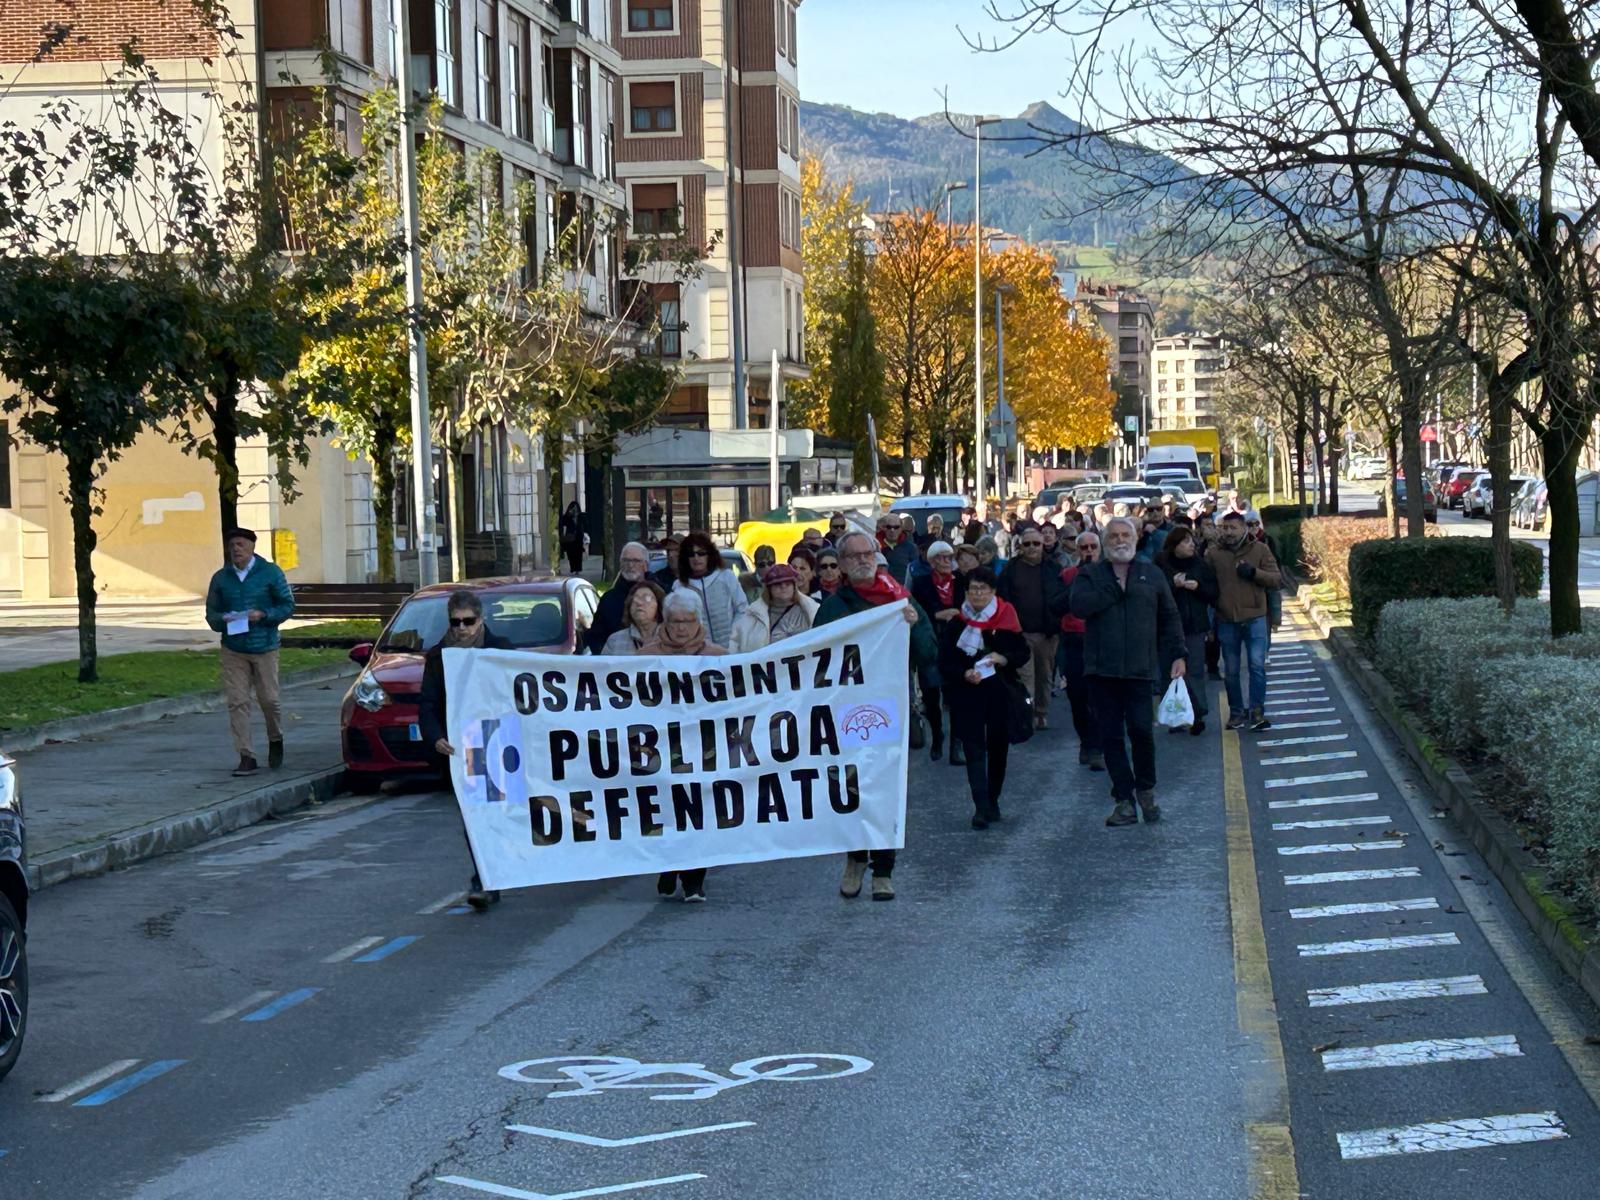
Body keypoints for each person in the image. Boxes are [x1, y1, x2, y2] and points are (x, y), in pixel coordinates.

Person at [816, 531, 938, 902]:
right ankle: (855, 858)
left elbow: (929, 653)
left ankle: (883, 869)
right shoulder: (833, 609)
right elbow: (815, 661)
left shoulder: (901, 601)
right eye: (853, 556)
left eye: (868, 553)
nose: (863, 560)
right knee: (852, 787)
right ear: (843, 566)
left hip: (891, 710)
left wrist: (914, 624)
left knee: (887, 789)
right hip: (846, 712)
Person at [1068, 516, 1186, 827]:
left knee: (1142, 732)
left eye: (1125, 535)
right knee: (1111, 737)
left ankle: (1146, 790)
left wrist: (1178, 654)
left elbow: (1170, 616)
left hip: (1140, 670)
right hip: (1101, 671)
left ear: (1134, 540)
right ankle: (1124, 800)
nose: (1120, 541)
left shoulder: (1151, 573)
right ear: (1105, 543)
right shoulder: (1091, 575)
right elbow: (1079, 607)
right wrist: (1114, 590)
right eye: (1114, 536)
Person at [419, 590, 513, 910]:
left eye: (467, 622)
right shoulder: (438, 656)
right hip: (461, 747)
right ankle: (483, 878)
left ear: (480, 619)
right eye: (455, 622)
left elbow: (519, 692)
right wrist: (435, 737)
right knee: (474, 815)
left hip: (498, 741)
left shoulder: (501, 650)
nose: (460, 628)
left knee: (498, 813)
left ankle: (495, 872)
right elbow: (428, 704)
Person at [640, 592, 726, 903]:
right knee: (667, 810)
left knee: (700, 812)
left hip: (704, 748)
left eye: (688, 622)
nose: (681, 629)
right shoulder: (645, 657)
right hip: (661, 748)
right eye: (675, 622)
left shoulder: (718, 656)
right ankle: (669, 867)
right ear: (665, 620)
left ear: (698, 621)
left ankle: (694, 881)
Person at [938, 566, 1029, 829]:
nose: (977, 594)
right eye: (973, 589)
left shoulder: (1006, 617)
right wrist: (964, 672)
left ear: (993, 592)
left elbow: (1022, 652)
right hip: (968, 695)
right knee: (974, 749)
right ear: (966, 593)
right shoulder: (957, 623)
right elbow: (944, 661)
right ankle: (980, 806)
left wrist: (1003, 658)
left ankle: (993, 798)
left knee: (998, 748)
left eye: (983, 589)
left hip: (1000, 694)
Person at [205, 527, 296, 776]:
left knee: (269, 699)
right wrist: (222, 619)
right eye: (232, 545)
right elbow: (211, 614)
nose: (236, 549)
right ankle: (246, 755)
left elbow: (288, 605)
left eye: (241, 544)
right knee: (237, 701)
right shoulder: (221, 578)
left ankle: (275, 737)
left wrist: (264, 615)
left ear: (252, 547)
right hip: (234, 649)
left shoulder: (270, 573)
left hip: (264, 646)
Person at [1206, 511, 1282, 732]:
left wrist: (1254, 573)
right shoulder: (1213, 554)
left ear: (1244, 529)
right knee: (1230, 670)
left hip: (1255, 617)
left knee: (1257, 666)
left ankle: (1257, 711)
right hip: (1227, 619)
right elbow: (1206, 585)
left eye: (1233, 528)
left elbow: (1276, 579)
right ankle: (1237, 712)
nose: (1228, 532)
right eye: (1225, 528)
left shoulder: (1260, 549)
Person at [997, 524, 1070, 730]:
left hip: (1047, 633)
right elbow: (1003, 599)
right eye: (1027, 544)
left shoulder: (1053, 569)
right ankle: (1027, 713)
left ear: (1042, 545)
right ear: (1020, 546)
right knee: (1025, 677)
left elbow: (1061, 598)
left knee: (1045, 676)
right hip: (1021, 634)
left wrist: (1055, 624)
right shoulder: (1010, 570)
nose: (1032, 547)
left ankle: (1041, 712)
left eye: (1036, 543)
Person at [1156, 527, 1218, 736]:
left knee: (1195, 671)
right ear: (1174, 546)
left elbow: (1213, 592)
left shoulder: (1199, 564)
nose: (1191, 545)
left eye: (1192, 541)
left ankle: (1197, 714)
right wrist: (1173, 585)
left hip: (1194, 625)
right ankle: (1175, 717)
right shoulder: (1161, 564)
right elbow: (1153, 593)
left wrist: (1197, 587)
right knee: (1170, 671)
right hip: (1167, 627)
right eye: (1185, 541)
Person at [910, 540, 966, 764]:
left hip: (957, 645)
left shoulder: (962, 581)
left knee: (957, 697)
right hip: (931, 644)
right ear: (932, 560)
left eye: (949, 557)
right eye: (941, 558)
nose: (946, 562)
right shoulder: (921, 582)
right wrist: (937, 615)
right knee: (932, 697)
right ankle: (937, 735)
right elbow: (916, 609)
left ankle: (956, 745)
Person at [1058, 530, 1103, 771]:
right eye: (1083, 548)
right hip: (1074, 640)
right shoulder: (1067, 575)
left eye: (1092, 547)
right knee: (1077, 697)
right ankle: (1086, 741)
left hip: (1101, 641)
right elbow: (1056, 604)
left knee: (1099, 696)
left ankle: (1097, 747)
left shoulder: (1110, 574)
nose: (1088, 552)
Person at [672, 531, 748, 649]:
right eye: (691, 554)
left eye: (701, 553)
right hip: (699, 655)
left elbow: (742, 609)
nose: (696, 558)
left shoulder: (727, 577)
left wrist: (734, 639)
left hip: (732, 652)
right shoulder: (679, 587)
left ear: (710, 555)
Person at [730, 564, 818, 652]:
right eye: (777, 584)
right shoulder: (752, 616)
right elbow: (735, 646)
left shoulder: (812, 610)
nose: (783, 587)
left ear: (794, 586)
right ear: (769, 589)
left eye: (787, 583)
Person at [586, 541, 650, 652]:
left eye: (635, 561)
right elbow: (596, 638)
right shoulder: (609, 599)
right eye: (626, 560)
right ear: (620, 564)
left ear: (646, 565)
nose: (630, 565)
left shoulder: (658, 595)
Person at [1245, 510, 1285, 639]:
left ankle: (1275, 624)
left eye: (1256, 524)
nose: (1254, 528)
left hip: (1267, 581)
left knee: (1272, 604)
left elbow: (1277, 560)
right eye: (1250, 525)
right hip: (1249, 582)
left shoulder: (1267, 539)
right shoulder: (1242, 542)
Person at [600, 580, 665, 655]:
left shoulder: (671, 638)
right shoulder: (615, 641)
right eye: (635, 599)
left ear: (659, 605)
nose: (639, 603)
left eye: (647, 598)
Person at [877, 515, 919, 581]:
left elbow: (916, 572)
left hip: (903, 589)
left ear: (901, 529)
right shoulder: (875, 546)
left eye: (896, 527)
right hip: (881, 588)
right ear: (883, 528)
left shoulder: (911, 548)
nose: (892, 530)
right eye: (889, 527)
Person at [558, 501, 586, 574]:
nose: (574, 511)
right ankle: (573, 568)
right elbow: (562, 522)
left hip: (578, 538)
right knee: (571, 554)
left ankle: (578, 569)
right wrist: (568, 515)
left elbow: (584, 524)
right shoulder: (567, 517)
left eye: (575, 509)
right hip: (570, 537)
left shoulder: (580, 516)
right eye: (572, 509)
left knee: (578, 554)